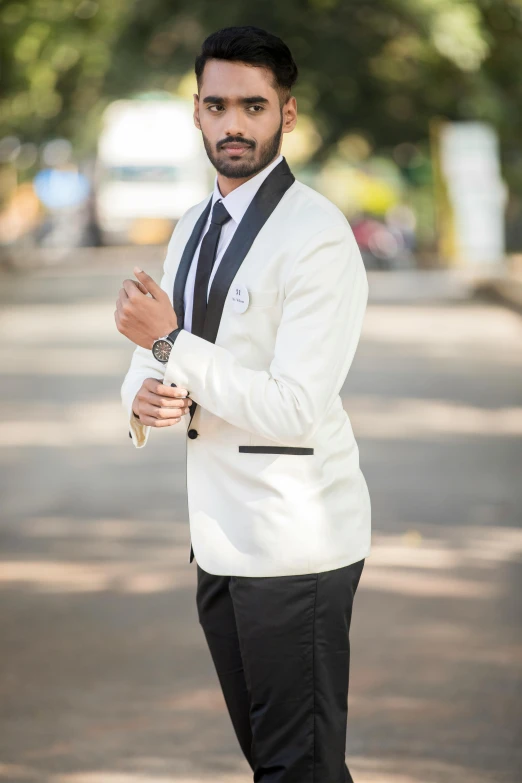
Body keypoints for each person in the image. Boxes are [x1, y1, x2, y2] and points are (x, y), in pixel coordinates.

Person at [116, 25, 371, 783]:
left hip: (296, 544)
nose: (234, 124)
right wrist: (144, 396)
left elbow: (294, 404)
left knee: (299, 767)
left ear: (285, 115)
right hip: (219, 539)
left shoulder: (318, 235)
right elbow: (152, 355)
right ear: (196, 111)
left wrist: (170, 346)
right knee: (282, 763)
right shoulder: (193, 225)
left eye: (253, 106)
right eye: (218, 105)